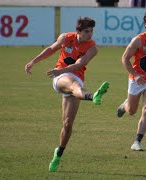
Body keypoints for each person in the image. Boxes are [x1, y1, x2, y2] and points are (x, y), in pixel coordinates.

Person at [24, 17, 110, 172]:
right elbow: (51, 49)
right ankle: (92, 96)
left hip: (73, 76)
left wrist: (61, 70)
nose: (89, 34)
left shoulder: (93, 48)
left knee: (68, 124)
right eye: (86, 31)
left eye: (91, 31)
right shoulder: (66, 38)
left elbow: (80, 64)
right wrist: (33, 62)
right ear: (78, 31)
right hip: (59, 78)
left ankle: (58, 154)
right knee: (72, 84)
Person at [116, 10, 146, 151]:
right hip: (136, 80)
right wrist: (136, 75)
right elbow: (124, 59)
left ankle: (137, 141)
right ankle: (125, 105)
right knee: (132, 110)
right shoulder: (138, 40)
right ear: (145, 24)